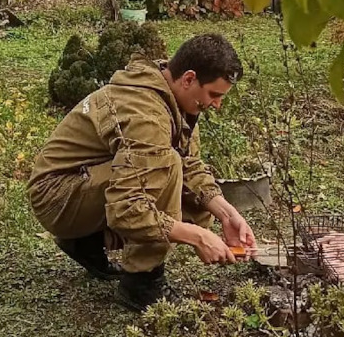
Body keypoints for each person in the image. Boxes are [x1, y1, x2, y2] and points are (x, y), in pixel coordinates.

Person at [27, 32, 257, 311]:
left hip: (79, 185)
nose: (217, 105)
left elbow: (191, 166)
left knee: (172, 168)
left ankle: (87, 242)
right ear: (188, 79)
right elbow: (128, 207)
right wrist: (197, 236)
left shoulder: (172, 98)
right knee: (166, 166)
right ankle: (141, 283)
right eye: (214, 95)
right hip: (56, 197)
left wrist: (227, 214)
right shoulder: (146, 115)